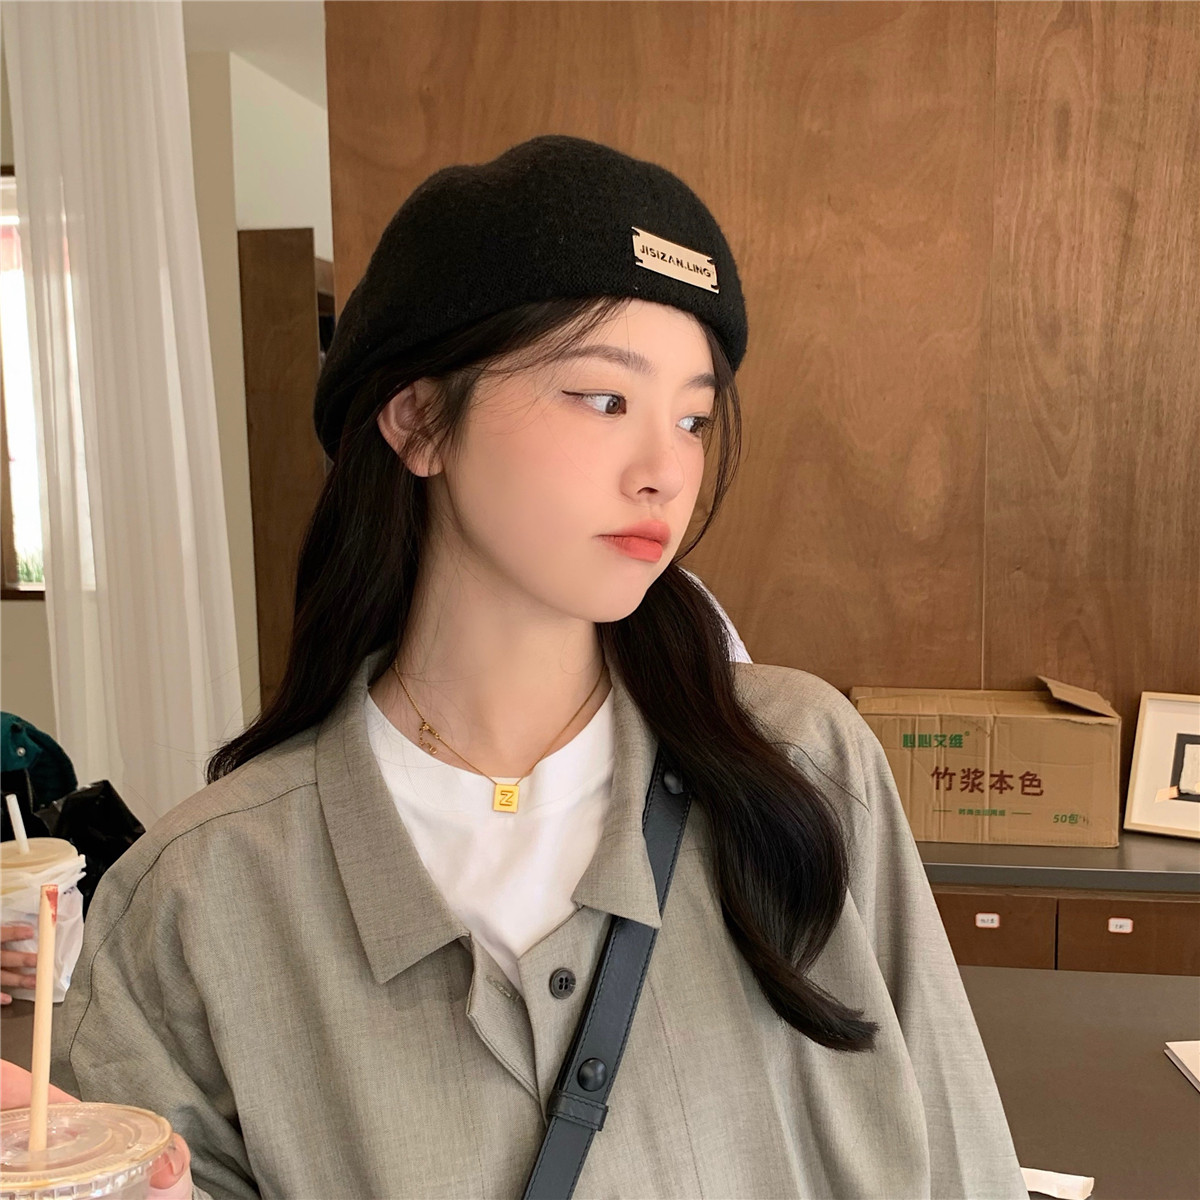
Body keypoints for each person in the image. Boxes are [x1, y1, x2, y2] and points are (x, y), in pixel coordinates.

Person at [6, 135, 1026, 1199]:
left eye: (692, 419)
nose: (665, 471)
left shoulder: (804, 766)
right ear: (419, 420)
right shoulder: (202, 898)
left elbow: (964, 1166)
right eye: (604, 400)